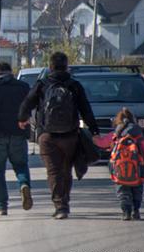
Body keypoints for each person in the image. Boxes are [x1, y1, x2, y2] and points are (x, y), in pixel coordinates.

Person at [18, 52, 100, 219]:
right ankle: (65, 200)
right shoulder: (74, 85)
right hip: (70, 135)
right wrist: (94, 131)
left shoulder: (42, 84)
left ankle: (59, 205)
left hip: (47, 136)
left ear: (50, 66)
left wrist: (22, 118)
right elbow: (86, 110)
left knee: (53, 171)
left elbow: (27, 102)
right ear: (66, 65)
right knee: (66, 169)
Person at [0, 62, 32, 216]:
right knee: (21, 165)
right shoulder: (22, 86)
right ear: (10, 72)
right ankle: (23, 184)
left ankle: (1, 206)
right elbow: (29, 110)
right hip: (19, 133)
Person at [93, 108, 144, 221]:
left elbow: (102, 143)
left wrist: (94, 137)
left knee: (123, 191)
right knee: (137, 191)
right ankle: (136, 211)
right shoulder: (138, 136)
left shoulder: (115, 135)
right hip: (138, 169)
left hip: (120, 169)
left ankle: (126, 212)